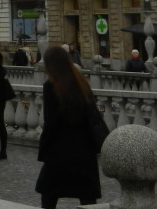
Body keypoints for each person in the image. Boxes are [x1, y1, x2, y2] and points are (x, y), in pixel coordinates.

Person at [35, 45, 101, 209]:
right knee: (86, 195)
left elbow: (50, 123)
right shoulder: (81, 83)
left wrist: (44, 149)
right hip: (83, 148)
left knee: (49, 193)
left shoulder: (51, 86)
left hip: (59, 149)